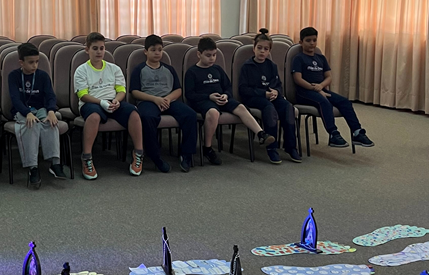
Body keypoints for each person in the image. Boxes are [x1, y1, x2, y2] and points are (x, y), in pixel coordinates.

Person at [184, 36, 273, 165]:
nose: (212, 58)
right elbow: (190, 94)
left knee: (241, 107)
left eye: (214, 55)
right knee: (213, 113)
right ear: (199, 54)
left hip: (221, 98)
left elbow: (227, 86)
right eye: (208, 55)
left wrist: (226, 95)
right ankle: (207, 148)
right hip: (203, 101)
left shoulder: (217, 69)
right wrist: (209, 97)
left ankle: (261, 134)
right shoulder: (192, 72)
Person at [74, 32, 144, 179]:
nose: (99, 52)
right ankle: (86, 158)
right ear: (87, 50)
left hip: (112, 101)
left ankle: (138, 154)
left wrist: (117, 100)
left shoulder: (114, 68)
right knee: (94, 117)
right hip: (91, 102)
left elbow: (121, 90)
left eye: (102, 48)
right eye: (95, 48)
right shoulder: (81, 70)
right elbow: (82, 95)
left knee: (133, 113)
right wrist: (101, 102)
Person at [292, 27, 374, 149]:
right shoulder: (298, 58)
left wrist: (321, 86)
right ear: (301, 42)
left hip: (321, 89)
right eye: (308, 40)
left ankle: (357, 132)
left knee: (345, 102)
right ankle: (333, 134)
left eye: (314, 40)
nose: (312, 43)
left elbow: (329, 77)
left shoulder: (321, 58)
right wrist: (316, 89)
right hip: (304, 92)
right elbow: (297, 79)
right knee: (324, 102)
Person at [128, 35, 198, 173]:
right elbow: (134, 92)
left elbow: (178, 90)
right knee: (147, 117)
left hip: (168, 100)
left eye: (160, 50)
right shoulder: (139, 69)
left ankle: (186, 155)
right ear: (146, 51)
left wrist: (168, 99)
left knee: (190, 115)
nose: (157, 53)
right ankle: (155, 157)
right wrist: (155, 99)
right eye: (153, 50)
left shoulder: (169, 69)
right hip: (148, 101)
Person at [238, 29, 302, 164]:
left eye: (266, 49)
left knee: (288, 108)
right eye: (259, 48)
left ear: (269, 51)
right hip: (255, 98)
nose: (262, 51)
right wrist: (264, 94)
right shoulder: (247, 66)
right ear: (254, 48)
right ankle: (272, 148)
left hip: (271, 96)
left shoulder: (272, 66)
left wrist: (276, 92)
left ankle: (291, 147)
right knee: (269, 109)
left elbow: (278, 84)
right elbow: (243, 89)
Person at [8, 42, 66, 189]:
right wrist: (27, 113)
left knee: (51, 123)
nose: (34, 65)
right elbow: (15, 99)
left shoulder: (43, 76)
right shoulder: (13, 76)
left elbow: (50, 96)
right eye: (31, 62)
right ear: (21, 62)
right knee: (31, 125)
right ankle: (32, 167)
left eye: (37, 62)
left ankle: (55, 163)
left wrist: (51, 111)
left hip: (40, 109)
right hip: (22, 110)